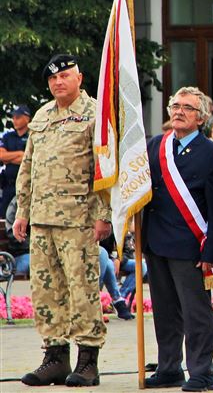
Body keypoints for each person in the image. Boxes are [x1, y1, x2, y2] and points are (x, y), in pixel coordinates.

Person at [14, 54, 111, 387]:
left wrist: (104, 216)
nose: (58, 82)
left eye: (65, 76)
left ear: (79, 78)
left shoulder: (95, 114)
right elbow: (28, 167)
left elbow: (105, 169)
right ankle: (55, 357)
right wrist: (23, 211)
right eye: (53, 78)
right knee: (45, 290)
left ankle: (88, 361)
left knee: (82, 290)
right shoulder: (42, 115)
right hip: (42, 219)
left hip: (79, 219)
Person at [141, 86, 213, 391]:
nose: (179, 111)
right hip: (156, 241)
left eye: (187, 108)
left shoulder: (211, 153)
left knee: (196, 313)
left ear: (201, 118)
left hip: (191, 245)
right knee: (165, 312)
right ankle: (169, 368)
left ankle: (202, 372)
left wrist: (212, 250)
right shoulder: (156, 145)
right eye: (175, 106)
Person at [0, 105, 31, 217]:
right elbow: (1, 156)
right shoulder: (8, 136)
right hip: (9, 184)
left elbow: (31, 158)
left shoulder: (32, 136)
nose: (14, 120)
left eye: (18, 117)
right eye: (13, 118)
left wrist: (9, 158)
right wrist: (20, 154)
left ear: (27, 118)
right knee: (4, 216)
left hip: (26, 185)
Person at [97, 236, 134, 320]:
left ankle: (121, 297)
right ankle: (118, 300)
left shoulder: (117, 229)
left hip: (116, 259)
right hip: (99, 257)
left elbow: (128, 251)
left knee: (142, 267)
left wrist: (118, 259)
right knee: (106, 259)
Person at [4, 196, 29, 276]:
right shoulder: (18, 203)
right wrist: (35, 245)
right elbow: (12, 233)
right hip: (22, 252)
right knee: (34, 262)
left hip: (45, 251)